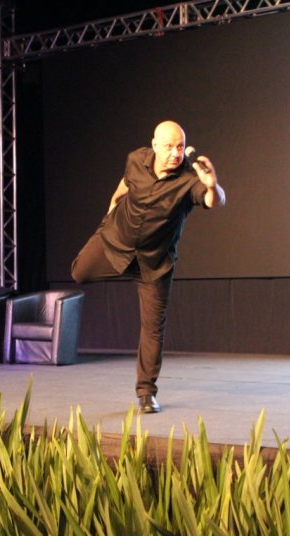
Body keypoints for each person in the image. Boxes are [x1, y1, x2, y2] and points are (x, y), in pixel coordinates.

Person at [71, 120, 226, 414]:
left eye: (180, 146)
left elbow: (213, 200)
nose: (175, 153)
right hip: (116, 244)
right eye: (168, 147)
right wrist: (113, 204)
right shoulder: (136, 159)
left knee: (153, 329)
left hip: (153, 264)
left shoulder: (188, 180)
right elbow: (125, 182)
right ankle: (108, 232)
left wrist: (211, 185)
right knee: (78, 272)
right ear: (155, 146)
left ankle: (146, 393)